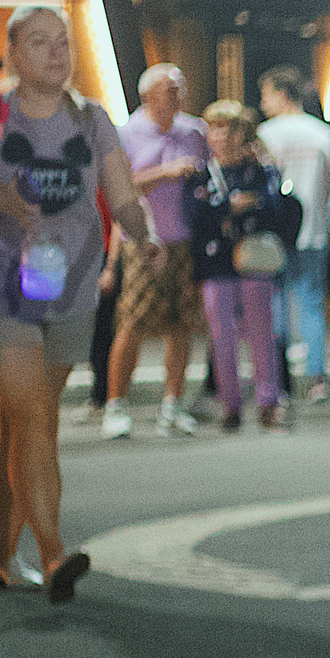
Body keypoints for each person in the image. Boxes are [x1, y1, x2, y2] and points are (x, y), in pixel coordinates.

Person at [0, 5, 148, 600]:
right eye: (39, 43)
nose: (55, 54)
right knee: (34, 418)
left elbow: (122, 196)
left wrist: (146, 237)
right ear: (14, 53)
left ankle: (0, 553)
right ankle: (52, 554)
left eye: (63, 43)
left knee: (24, 422)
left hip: (67, 287)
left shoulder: (93, 120)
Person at [102, 64, 210, 441]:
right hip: (142, 242)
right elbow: (120, 186)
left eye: (180, 88)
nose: (178, 95)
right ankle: (115, 404)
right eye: (170, 89)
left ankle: (172, 404)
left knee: (182, 325)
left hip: (185, 241)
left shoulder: (195, 131)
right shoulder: (127, 133)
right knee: (132, 324)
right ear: (147, 95)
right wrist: (166, 172)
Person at [187, 101, 293, 433]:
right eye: (215, 128)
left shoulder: (260, 170)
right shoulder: (202, 172)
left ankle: (269, 403)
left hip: (253, 259)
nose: (221, 136)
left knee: (262, 333)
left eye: (229, 128)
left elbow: (278, 207)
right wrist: (226, 210)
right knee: (222, 336)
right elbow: (194, 216)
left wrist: (255, 197)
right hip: (216, 261)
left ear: (243, 133)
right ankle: (230, 405)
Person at [256, 65, 330, 405]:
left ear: (281, 93)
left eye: (266, 95)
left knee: (275, 303)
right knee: (311, 305)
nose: (263, 103)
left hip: (274, 233)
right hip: (313, 231)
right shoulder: (323, 134)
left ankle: (278, 379)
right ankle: (316, 378)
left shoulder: (266, 134)